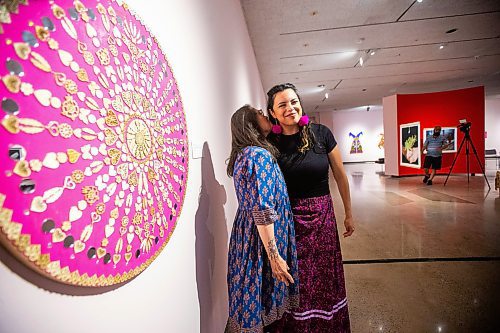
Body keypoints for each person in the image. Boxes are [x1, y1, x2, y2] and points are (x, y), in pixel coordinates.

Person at [266, 83, 354, 332]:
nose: (290, 108)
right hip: (289, 221)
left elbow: (340, 175)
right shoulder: (269, 144)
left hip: (322, 219)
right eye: (282, 104)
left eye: (293, 101)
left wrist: (348, 213)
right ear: (273, 112)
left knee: (325, 277)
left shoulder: (321, 133)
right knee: (297, 276)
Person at [225, 105, 299, 332]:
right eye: (259, 112)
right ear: (250, 123)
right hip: (261, 238)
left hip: (250, 233)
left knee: (251, 294)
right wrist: (274, 256)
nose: (264, 114)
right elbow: (263, 210)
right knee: (261, 295)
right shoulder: (259, 156)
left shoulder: (245, 154)